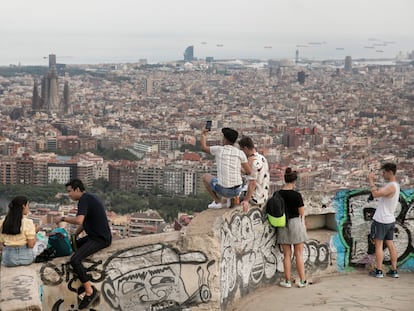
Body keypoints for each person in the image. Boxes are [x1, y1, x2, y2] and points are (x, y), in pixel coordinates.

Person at [54, 179, 112, 309]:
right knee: (73, 248)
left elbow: (79, 219)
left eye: (69, 191)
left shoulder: (84, 200)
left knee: (75, 259)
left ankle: (89, 291)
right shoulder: (89, 197)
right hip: (94, 236)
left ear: (77, 189)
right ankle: (82, 281)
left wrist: (62, 219)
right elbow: (85, 222)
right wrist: (75, 235)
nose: (68, 194)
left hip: (100, 239)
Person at [201, 127, 251, 209]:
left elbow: (203, 148)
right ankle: (232, 198)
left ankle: (217, 201)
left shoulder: (218, 150)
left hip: (224, 190)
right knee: (241, 178)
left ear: (225, 139)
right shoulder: (240, 153)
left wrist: (203, 134)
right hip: (237, 190)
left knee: (205, 177)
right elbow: (248, 171)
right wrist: (238, 169)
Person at [277, 168, 308, 288]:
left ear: (284, 179)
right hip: (295, 223)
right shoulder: (297, 195)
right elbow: (301, 212)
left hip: (282, 224)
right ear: (295, 180)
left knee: (286, 255)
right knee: (299, 254)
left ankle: (287, 281)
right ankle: (302, 280)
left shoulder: (278, 194)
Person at [368, 162, 400, 278]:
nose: (383, 174)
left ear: (390, 173)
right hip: (390, 220)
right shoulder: (395, 185)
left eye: (384, 172)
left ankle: (379, 271)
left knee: (379, 245)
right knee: (391, 244)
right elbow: (382, 192)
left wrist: (371, 180)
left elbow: (376, 194)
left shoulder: (391, 186)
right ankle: (394, 270)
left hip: (381, 220)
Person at [0, 196, 36, 267]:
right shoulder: (28, 222)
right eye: (27, 205)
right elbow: (31, 245)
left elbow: (2, 243)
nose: (28, 208)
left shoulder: (2, 222)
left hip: (8, 260)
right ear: (23, 206)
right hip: (26, 258)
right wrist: (35, 233)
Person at [238, 136, 270, 212]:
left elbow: (252, 183)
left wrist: (246, 200)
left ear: (245, 148)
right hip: (264, 195)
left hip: (255, 198)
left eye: (241, 150)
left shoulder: (253, 162)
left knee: (231, 195)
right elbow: (251, 173)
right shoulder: (262, 158)